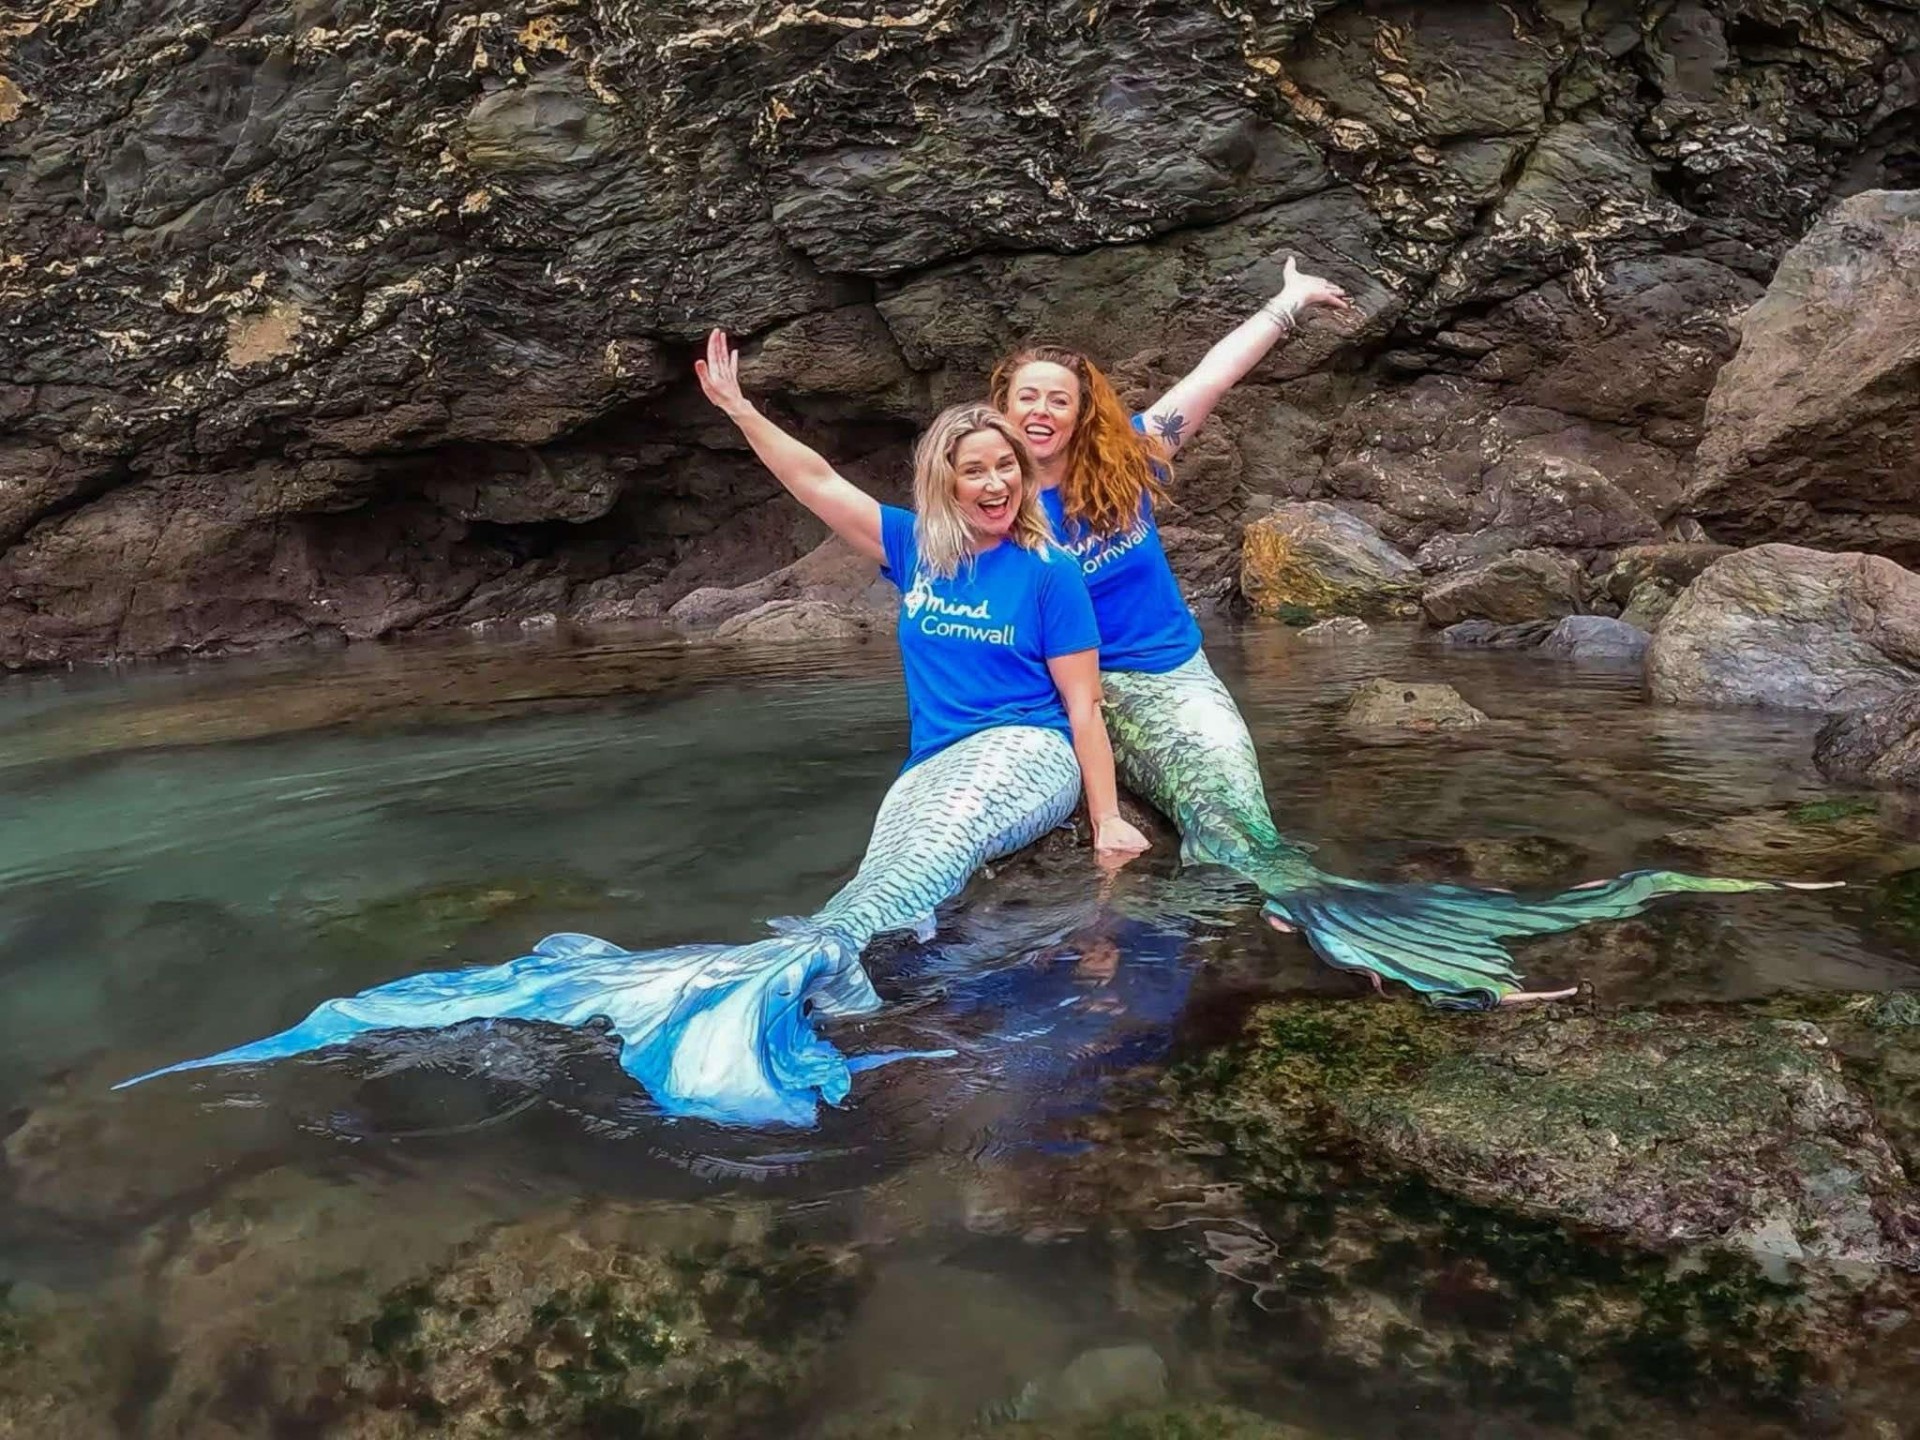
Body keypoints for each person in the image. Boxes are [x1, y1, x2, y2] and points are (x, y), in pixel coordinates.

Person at [118, 334, 1150, 1127]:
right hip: (936, 762)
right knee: (878, 885)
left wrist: (1105, 820)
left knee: (936, 855)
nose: (995, 482)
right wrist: (740, 406)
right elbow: (814, 480)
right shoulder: (916, 551)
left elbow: (1082, 704)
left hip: (1027, 756)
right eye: (975, 467)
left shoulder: (1048, 570)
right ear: (945, 479)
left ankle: (790, 983)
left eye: (1007, 467)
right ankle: (792, 974)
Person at [991, 261, 1812, 1008]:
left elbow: (1214, 374)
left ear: (1081, 409)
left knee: (1241, 817)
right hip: (1101, 687)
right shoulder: (991, 511)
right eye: (1025, 396)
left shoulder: (1133, 457)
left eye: (1057, 396)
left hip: (1180, 669)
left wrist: (1289, 302)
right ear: (1000, 410)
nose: (1040, 410)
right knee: (1226, 823)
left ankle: (1310, 905)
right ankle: (1332, 918)